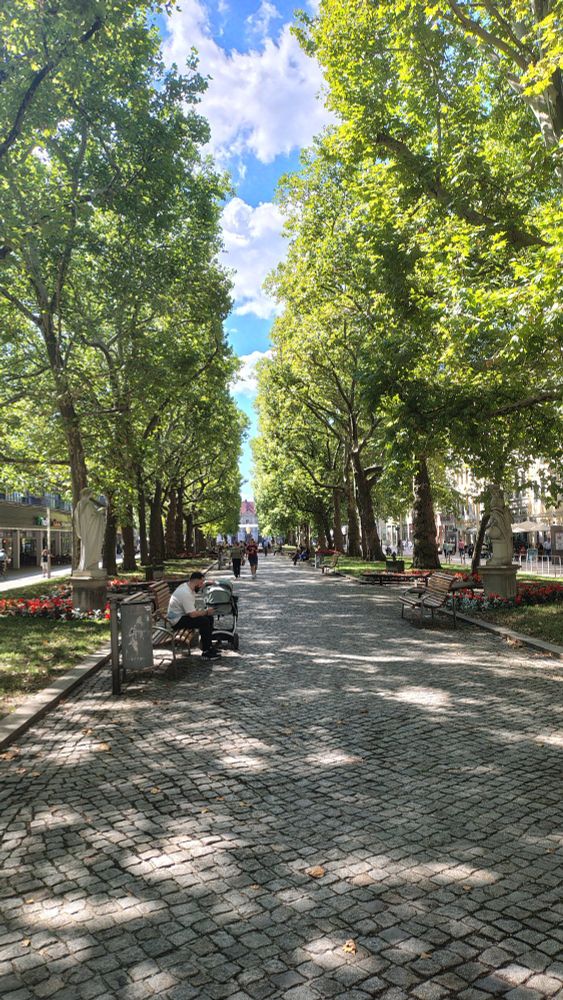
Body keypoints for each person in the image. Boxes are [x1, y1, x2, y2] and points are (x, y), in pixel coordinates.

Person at [167, 572, 220, 659]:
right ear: (196, 581)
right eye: (201, 582)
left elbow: (199, 586)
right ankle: (206, 652)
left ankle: (208, 646)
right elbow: (192, 614)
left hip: (180, 616)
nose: (202, 585)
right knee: (205, 621)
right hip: (176, 621)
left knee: (209, 618)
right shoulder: (186, 593)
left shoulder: (188, 586)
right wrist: (206, 612)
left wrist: (208, 583)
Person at [73, 488, 107, 573]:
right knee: (91, 547)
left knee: (86, 547)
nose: (92, 495)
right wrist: (100, 513)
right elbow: (93, 518)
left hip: (85, 532)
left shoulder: (79, 504)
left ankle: (86, 564)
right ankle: (90, 564)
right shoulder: (88, 504)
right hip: (91, 531)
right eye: (91, 494)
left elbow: (77, 520)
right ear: (88, 494)